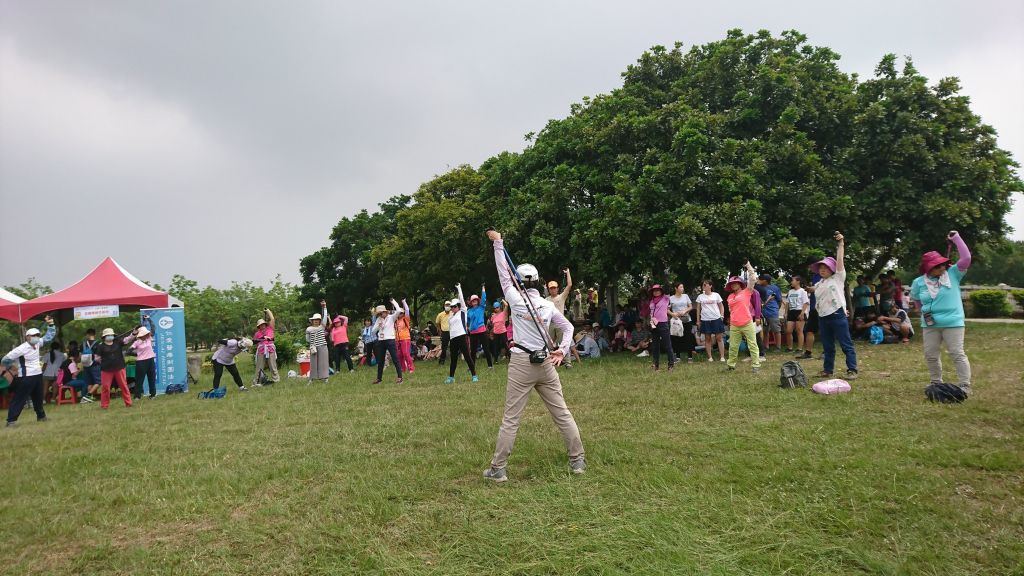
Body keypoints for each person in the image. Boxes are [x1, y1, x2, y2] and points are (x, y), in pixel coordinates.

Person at [483, 229, 585, 482]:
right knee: (561, 412)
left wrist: (498, 244)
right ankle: (578, 460)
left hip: (521, 362)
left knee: (511, 418)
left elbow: (502, 273)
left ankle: (498, 469)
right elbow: (569, 328)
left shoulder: (514, 299)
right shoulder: (548, 305)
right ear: (538, 282)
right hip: (546, 362)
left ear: (520, 281)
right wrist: (561, 350)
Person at [910, 230, 972, 394]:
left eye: (943, 264)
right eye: (937, 266)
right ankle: (935, 382)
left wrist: (956, 239)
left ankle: (965, 385)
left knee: (957, 353)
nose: (942, 267)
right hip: (930, 324)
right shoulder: (918, 282)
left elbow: (966, 258)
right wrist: (919, 309)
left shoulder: (953, 274)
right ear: (928, 268)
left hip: (953, 322)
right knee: (931, 355)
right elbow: (915, 297)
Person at [812, 232, 858, 379]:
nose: (822, 269)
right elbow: (817, 294)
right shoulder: (819, 283)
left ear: (832, 269)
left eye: (825, 267)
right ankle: (827, 370)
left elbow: (840, 260)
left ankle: (852, 369)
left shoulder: (838, 278)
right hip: (823, 317)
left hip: (837, 314)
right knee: (827, 346)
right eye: (820, 268)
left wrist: (841, 244)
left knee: (846, 344)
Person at [2, 316, 56, 426]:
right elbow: (5, 359)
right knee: (20, 399)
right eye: (33, 336)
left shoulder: (37, 343)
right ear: (27, 337)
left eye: (37, 335)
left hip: (37, 375)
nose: (36, 337)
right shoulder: (21, 348)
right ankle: (11, 421)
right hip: (26, 377)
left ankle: (41, 417)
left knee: (38, 398)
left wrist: (51, 324)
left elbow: (48, 337)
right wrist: (12, 368)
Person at [725, 262, 761, 372]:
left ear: (740, 284)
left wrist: (748, 266)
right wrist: (730, 320)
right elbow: (731, 310)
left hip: (747, 322)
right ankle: (731, 366)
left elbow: (753, 278)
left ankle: (756, 366)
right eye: (731, 283)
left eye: (735, 283)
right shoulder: (730, 296)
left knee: (752, 345)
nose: (733, 285)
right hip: (735, 324)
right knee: (733, 346)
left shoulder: (747, 291)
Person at [92, 326, 137, 409]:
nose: (110, 336)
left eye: (111, 335)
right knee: (106, 387)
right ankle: (104, 405)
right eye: (108, 335)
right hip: (106, 370)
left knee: (123, 385)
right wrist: (105, 362)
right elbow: (97, 358)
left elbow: (128, 339)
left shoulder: (118, 342)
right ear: (104, 337)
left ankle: (128, 403)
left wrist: (133, 333)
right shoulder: (100, 346)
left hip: (119, 368)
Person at [446, 285, 479, 384]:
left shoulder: (463, 312)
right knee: (453, 359)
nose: (453, 308)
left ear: (459, 306)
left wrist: (459, 288)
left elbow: (462, 299)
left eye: (455, 306)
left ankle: (474, 375)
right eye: (452, 306)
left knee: (467, 357)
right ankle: (451, 377)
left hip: (461, 337)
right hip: (453, 338)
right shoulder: (451, 316)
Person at [546, 268, 574, 368]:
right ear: (549, 289)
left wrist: (568, 273)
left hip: (560, 323)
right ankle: (549, 363)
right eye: (551, 288)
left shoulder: (562, 296)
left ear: (557, 288)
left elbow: (569, 285)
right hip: (550, 324)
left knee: (564, 343)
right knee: (548, 344)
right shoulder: (546, 300)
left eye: (554, 288)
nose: (553, 289)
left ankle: (568, 363)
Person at [371, 301, 403, 384]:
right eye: (379, 313)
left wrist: (394, 302)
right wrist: (378, 326)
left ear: (385, 312)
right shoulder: (378, 319)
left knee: (395, 359)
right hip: (381, 341)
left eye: (382, 313)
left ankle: (400, 377)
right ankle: (379, 379)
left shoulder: (391, 317)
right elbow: (373, 331)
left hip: (390, 340)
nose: (381, 315)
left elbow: (399, 310)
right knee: (380, 361)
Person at [696, 280, 726, 362]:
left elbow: (721, 306)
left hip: (716, 318)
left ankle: (722, 357)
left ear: (710, 286)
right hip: (705, 319)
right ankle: (710, 357)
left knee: (719, 338)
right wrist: (698, 321)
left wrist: (722, 315)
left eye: (705, 284)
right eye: (703, 284)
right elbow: (698, 309)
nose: (703, 286)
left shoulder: (716, 295)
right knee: (707, 338)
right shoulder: (700, 297)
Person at [647, 284, 675, 371]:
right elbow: (651, 312)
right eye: (654, 291)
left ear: (661, 291)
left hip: (663, 323)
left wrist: (666, 276)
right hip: (653, 324)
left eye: (658, 290)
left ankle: (671, 364)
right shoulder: (651, 301)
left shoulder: (665, 298)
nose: (656, 292)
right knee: (655, 346)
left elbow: (668, 288)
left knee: (667, 345)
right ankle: (656, 365)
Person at [466, 286, 494, 369]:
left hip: (482, 331)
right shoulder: (469, 311)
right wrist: (468, 327)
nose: (474, 301)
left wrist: (483, 290)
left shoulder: (481, 307)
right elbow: (467, 321)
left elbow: (483, 298)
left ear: (478, 301)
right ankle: (472, 366)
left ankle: (490, 365)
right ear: (471, 302)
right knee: (473, 350)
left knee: (486, 348)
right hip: (473, 332)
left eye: (475, 300)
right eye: (472, 300)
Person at [130, 317, 157, 399]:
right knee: (139, 379)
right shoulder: (137, 342)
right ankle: (137, 396)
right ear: (141, 335)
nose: (146, 335)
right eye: (144, 334)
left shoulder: (149, 338)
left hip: (150, 360)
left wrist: (149, 319)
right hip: (141, 362)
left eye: (146, 334)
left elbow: (153, 328)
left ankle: (152, 395)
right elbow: (129, 351)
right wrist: (138, 354)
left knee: (151, 378)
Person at [253, 309, 281, 385]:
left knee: (272, 365)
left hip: (270, 348)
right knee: (259, 366)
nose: (262, 326)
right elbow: (254, 342)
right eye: (260, 325)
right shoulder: (257, 333)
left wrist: (268, 311)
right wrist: (262, 338)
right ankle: (257, 381)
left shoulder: (270, 328)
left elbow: (272, 319)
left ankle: (276, 379)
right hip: (261, 349)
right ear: (259, 326)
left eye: (263, 324)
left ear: (265, 324)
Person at [757, 274, 784, 353]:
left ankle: (778, 347)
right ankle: (766, 346)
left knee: (776, 330)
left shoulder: (775, 288)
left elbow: (779, 300)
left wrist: (776, 309)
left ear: (764, 281)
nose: (758, 281)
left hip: (772, 312)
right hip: (762, 312)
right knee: (765, 330)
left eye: (760, 279)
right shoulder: (759, 288)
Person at [783, 276, 810, 353]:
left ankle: (799, 348)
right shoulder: (790, 291)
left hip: (799, 311)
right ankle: (790, 347)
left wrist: (802, 313)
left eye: (792, 280)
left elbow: (806, 303)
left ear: (798, 282)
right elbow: (787, 303)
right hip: (791, 312)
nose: (791, 282)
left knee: (799, 330)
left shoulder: (802, 291)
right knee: (788, 331)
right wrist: (785, 313)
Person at [305, 301, 331, 382]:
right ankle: (312, 379)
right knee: (313, 364)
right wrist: (312, 345)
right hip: (313, 348)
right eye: (314, 320)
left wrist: (324, 307)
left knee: (323, 363)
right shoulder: (308, 329)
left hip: (323, 346)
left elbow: (325, 317)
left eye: (318, 319)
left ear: (320, 321)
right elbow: (307, 339)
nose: (316, 321)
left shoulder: (322, 327)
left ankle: (325, 378)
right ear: (312, 321)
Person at [669, 283, 694, 363]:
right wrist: (673, 314)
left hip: (686, 319)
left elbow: (690, 306)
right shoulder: (671, 298)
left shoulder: (685, 296)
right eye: (681, 287)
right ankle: (678, 357)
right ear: (676, 288)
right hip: (676, 321)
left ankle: (690, 357)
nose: (682, 288)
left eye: (683, 287)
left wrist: (685, 311)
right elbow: (667, 309)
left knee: (688, 338)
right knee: (676, 338)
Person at [394, 299, 415, 374]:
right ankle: (403, 369)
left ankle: (411, 368)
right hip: (397, 340)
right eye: (399, 313)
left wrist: (404, 302)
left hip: (405, 339)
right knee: (399, 355)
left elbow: (407, 309)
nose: (399, 314)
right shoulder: (395, 321)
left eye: (401, 313)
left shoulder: (406, 319)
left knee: (406, 353)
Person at [79, 328, 102, 400]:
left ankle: (89, 398)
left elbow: (80, 355)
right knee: (99, 381)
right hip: (95, 365)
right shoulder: (98, 343)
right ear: (94, 334)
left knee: (90, 382)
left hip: (85, 365)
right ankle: (88, 396)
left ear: (87, 334)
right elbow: (99, 356)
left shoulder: (82, 344)